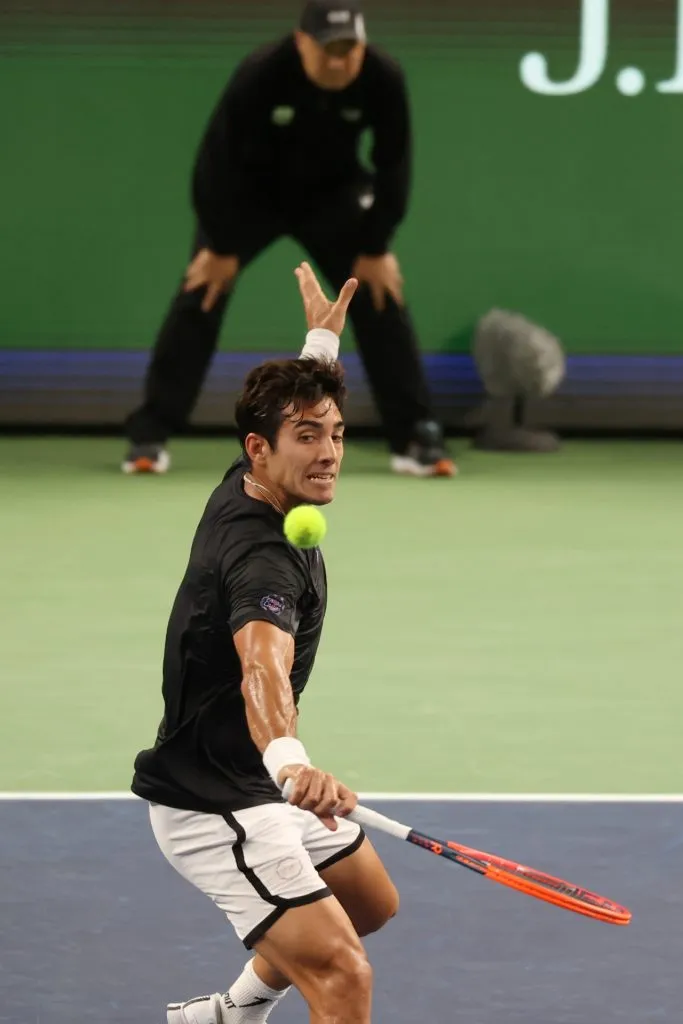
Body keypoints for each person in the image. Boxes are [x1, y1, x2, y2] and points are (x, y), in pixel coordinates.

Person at [131, 262, 399, 1024]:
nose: (328, 453)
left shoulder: (243, 482)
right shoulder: (260, 561)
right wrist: (291, 763)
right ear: (259, 449)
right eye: (307, 438)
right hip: (211, 798)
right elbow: (262, 666)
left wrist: (321, 341)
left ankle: (229, 1013)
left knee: (368, 903)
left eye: (337, 435)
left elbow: (301, 403)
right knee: (344, 973)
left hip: (249, 778)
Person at [122, 0, 455, 479]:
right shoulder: (261, 74)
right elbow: (216, 160)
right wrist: (217, 243)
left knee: (379, 293)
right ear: (301, 42)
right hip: (251, 197)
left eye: (350, 48)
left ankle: (414, 435)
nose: (339, 61)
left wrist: (376, 246)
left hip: (334, 198)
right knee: (203, 289)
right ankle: (149, 434)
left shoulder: (383, 76)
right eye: (327, 49)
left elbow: (393, 165)